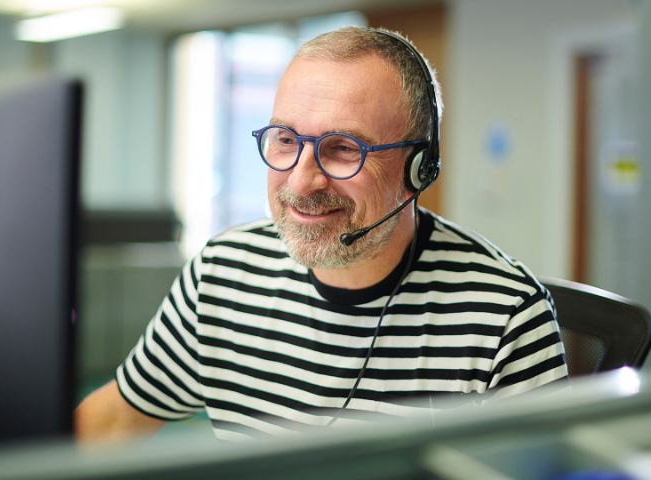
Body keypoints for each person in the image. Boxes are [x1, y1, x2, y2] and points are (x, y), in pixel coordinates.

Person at [75, 26, 568, 443]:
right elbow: (117, 418)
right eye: (286, 140)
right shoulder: (223, 271)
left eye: (342, 148)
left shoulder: (505, 316)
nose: (300, 181)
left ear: (419, 168)